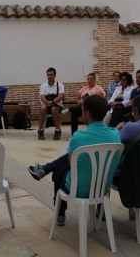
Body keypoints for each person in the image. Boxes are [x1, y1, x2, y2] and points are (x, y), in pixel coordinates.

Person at [50, 95, 121, 226]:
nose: (81, 114)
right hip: (103, 188)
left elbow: (72, 165)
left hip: (79, 189)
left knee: (59, 171)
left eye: (82, 111)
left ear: (87, 113)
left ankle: (60, 214)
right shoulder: (115, 134)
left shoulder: (78, 137)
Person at [38, 67, 65, 141]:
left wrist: (53, 102)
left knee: (54, 109)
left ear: (55, 75)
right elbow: (42, 97)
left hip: (56, 104)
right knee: (42, 108)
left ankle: (57, 130)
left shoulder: (60, 85)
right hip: (46, 104)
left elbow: (60, 96)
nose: (49, 76)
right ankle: (40, 130)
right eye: (48, 75)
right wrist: (47, 102)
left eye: (51, 75)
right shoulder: (43, 86)